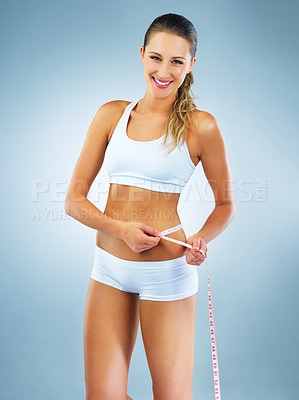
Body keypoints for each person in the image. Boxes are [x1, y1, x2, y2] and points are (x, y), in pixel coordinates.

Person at [65, 12, 236, 400]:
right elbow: (74, 201)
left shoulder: (201, 126)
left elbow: (226, 204)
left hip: (167, 275)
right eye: (156, 57)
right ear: (142, 55)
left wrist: (203, 238)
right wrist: (120, 230)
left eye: (177, 61)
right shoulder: (111, 115)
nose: (164, 70)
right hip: (108, 270)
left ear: (191, 64)